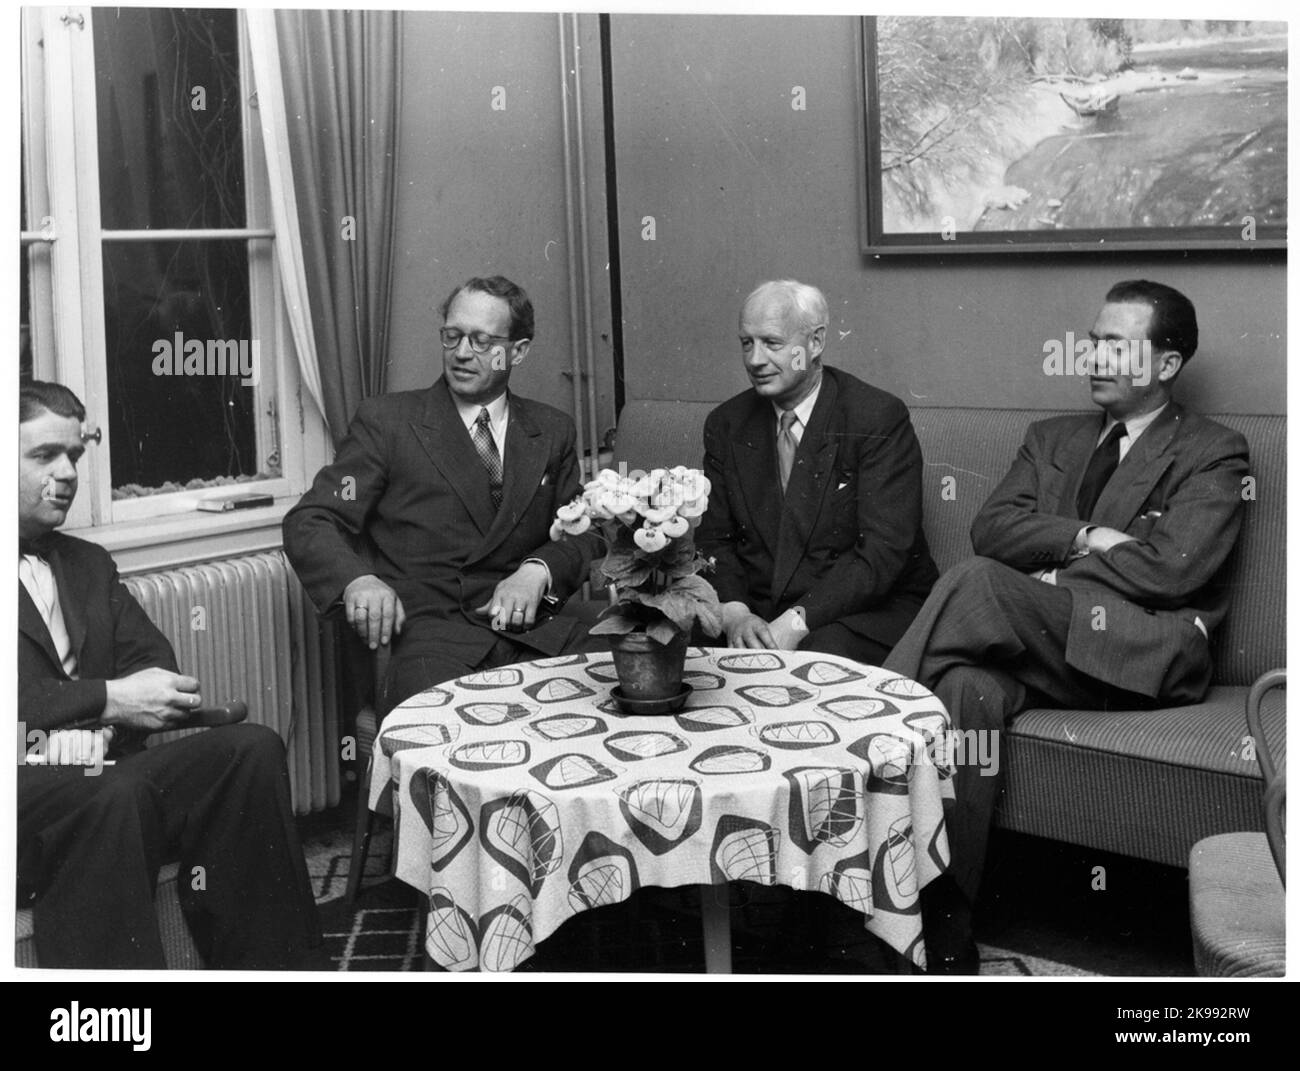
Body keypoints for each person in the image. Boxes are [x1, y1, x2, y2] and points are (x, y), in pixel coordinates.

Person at [885, 280, 1251, 973]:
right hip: (1041, 645)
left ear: (1166, 365)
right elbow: (990, 525)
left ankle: (857, 734)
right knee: (968, 689)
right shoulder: (1052, 437)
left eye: (1116, 344)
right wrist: (1091, 536)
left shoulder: (1213, 451)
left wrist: (1050, 578)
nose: (1094, 356)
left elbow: (1170, 571)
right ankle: (943, 922)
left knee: (979, 580)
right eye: (1093, 340)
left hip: (1139, 653)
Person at [17, 380, 324, 969]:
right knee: (116, 790)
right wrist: (104, 703)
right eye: (42, 456)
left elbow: (156, 672)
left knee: (250, 748)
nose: (67, 473)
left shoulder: (87, 563)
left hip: (100, 769)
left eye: (75, 457)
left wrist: (100, 728)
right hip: (19, 791)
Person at [284, 275, 598, 714]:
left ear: (518, 352)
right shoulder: (389, 423)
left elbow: (583, 530)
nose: (463, 353)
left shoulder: (551, 429)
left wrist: (538, 569)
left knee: (631, 678)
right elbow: (311, 518)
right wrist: (358, 579)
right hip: (435, 641)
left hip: (534, 631)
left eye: (482, 340)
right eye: (453, 336)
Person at [696, 279, 938, 663]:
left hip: (862, 609)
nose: (755, 359)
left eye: (772, 343)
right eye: (746, 343)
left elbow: (880, 553)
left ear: (816, 342)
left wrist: (795, 623)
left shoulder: (876, 418)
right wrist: (736, 614)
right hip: (759, 611)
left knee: (819, 658)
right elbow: (714, 539)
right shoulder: (726, 424)